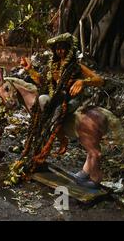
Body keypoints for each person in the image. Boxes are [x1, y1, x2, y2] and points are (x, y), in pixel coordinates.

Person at [21, 33, 105, 188]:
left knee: (55, 113)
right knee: (42, 103)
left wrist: (83, 81)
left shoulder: (77, 66)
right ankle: (41, 150)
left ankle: (61, 138)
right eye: (57, 48)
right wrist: (30, 70)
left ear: (69, 49)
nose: (60, 51)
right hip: (55, 98)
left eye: (63, 48)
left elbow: (99, 80)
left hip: (70, 101)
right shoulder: (53, 66)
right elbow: (42, 82)